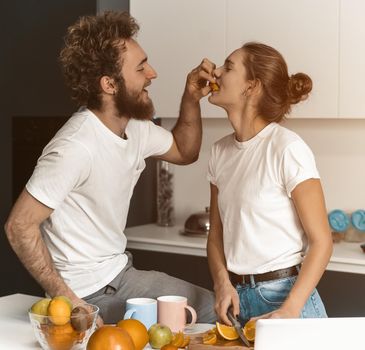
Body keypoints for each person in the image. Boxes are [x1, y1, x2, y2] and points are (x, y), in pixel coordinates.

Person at [5, 11, 217, 325]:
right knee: (204, 317)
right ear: (109, 84)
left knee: (214, 308)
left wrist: (191, 97)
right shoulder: (75, 147)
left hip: (122, 274)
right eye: (141, 67)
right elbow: (19, 226)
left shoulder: (137, 127)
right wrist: (69, 300)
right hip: (89, 296)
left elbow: (185, 151)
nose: (152, 74)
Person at [206, 42, 333, 327]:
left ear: (251, 86)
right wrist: (222, 284)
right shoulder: (219, 152)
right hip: (238, 300)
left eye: (228, 67)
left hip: (285, 297)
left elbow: (322, 242)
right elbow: (216, 236)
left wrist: (290, 309)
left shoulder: (286, 148)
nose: (215, 72)